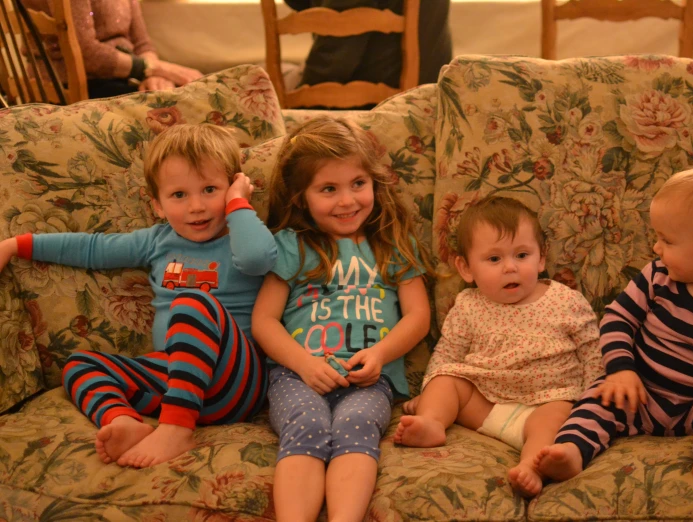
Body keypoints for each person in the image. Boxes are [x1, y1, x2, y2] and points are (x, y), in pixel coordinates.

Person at [0, 124, 276, 468]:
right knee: (80, 365)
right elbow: (92, 248)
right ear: (157, 205)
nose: (196, 206)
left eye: (210, 189)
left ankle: (177, 428)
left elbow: (258, 258)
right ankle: (123, 421)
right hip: (172, 380)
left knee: (193, 302)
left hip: (235, 383)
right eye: (179, 195)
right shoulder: (157, 241)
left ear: (234, 187)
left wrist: (238, 203)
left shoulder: (242, 235)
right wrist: (16, 245)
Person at [537, 162, 693, 484]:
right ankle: (571, 450)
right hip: (642, 391)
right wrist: (621, 369)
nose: (656, 248)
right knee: (599, 399)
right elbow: (617, 318)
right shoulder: (657, 276)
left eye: (667, 240)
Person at [252, 116, 432, 521]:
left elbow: (418, 316)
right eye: (328, 189)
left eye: (358, 184)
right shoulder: (292, 246)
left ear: (373, 182)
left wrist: (381, 355)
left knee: (357, 423)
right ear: (302, 198)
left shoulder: (391, 243)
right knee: (308, 423)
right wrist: (305, 364)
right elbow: (264, 320)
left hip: (368, 377)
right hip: (297, 374)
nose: (347, 200)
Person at [393, 195, 602, 496]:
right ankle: (432, 423)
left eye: (521, 255)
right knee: (448, 380)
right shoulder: (468, 306)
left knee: (556, 416)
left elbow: (592, 353)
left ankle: (532, 465)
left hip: (545, 401)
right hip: (484, 404)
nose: (510, 268)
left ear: (541, 258)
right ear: (466, 268)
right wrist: (429, 395)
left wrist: (592, 403)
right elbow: (447, 354)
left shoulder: (565, 301)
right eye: (494, 259)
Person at [23, 0, 203, 98]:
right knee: (180, 101)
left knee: (192, 93)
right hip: (73, 81)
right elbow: (86, 53)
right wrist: (157, 69)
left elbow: (142, 43)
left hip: (120, 74)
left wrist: (153, 74)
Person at [284, 0, 452, 101]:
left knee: (263, 88)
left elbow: (337, 50)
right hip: (432, 83)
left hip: (382, 91)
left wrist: (300, 89)